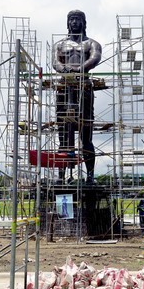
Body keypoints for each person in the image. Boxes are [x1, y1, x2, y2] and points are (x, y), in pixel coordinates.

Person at [53, 10, 102, 185]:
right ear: (68, 23)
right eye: (71, 19)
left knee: (86, 134)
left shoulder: (91, 43)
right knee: (64, 134)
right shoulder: (60, 44)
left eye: (77, 19)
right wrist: (64, 69)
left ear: (83, 22)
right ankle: (60, 175)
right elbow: (55, 62)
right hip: (64, 86)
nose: (74, 22)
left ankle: (90, 175)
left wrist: (79, 68)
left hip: (84, 86)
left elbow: (95, 58)